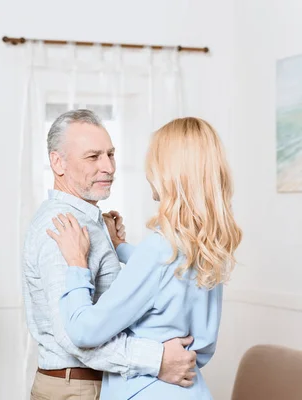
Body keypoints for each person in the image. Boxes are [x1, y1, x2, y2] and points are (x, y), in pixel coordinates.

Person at [50, 117, 242, 399]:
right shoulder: (207, 247)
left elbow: (84, 331)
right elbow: (170, 276)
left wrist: (77, 264)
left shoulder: (159, 251)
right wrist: (122, 248)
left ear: (168, 172)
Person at [22, 109, 198, 399]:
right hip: (76, 389)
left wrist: (119, 247)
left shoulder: (91, 220)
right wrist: (157, 360)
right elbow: (73, 337)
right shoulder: (61, 228)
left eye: (111, 154)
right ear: (58, 162)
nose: (108, 167)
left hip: (96, 385)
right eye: (93, 157)